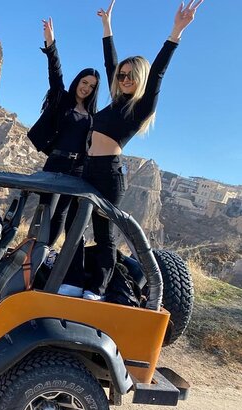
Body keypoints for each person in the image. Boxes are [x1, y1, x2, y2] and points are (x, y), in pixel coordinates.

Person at [63, 0, 204, 301]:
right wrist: (107, 27)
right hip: (86, 169)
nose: (124, 79)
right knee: (73, 224)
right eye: (122, 75)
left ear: (139, 79)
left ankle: (97, 289)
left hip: (108, 175)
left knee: (103, 233)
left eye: (130, 75)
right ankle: (72, 280)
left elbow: (159, 75)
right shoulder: (114, 100)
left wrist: (176, 32)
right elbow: (109, 63)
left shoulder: (140, 108)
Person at [27, 17, 100, 250]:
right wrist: (51, 45)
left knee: (61, 212)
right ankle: (32, 251)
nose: (86, 87)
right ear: (78, 80)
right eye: (84, 82)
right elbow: (55, 73)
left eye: (91, 86)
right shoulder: (62, 98)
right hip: (56, 161)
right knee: (45, 208)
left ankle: (45, 252)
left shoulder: (92, 115)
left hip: (77, 168)